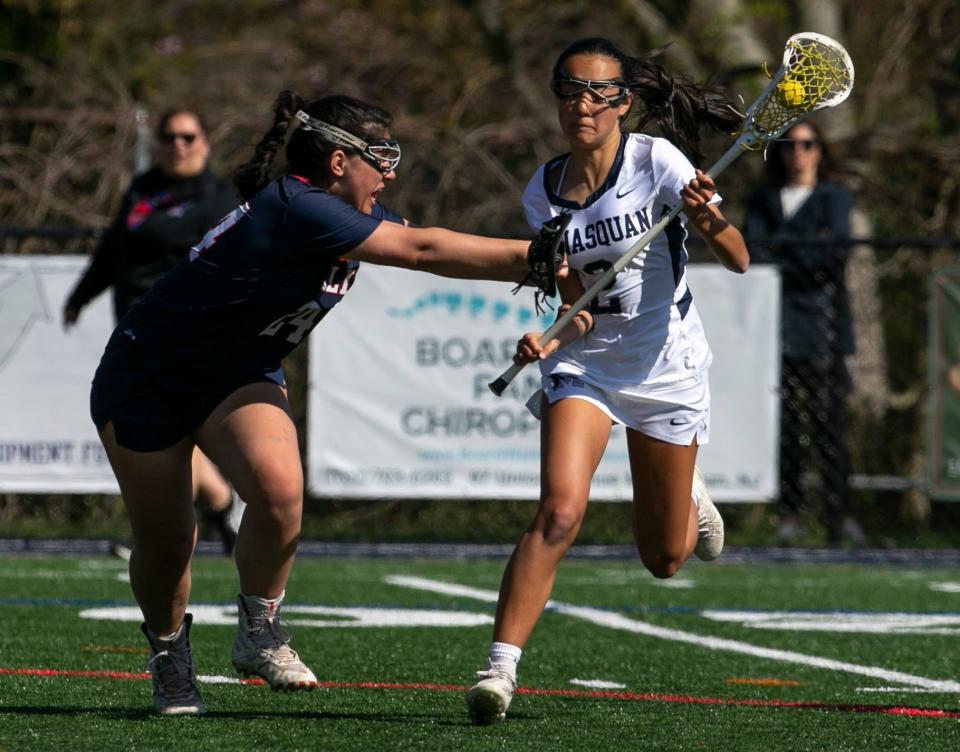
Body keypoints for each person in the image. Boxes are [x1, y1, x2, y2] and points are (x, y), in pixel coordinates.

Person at [89, 89, 561, 716]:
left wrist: (563, 258)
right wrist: (535, 255)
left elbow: (423, 238)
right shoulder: (302, 207)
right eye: (381, 156)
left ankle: (258, 630)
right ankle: (170, 654)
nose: (390, 172)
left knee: (280, 490)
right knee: (170, 538)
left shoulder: (335, 211)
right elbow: (422, 252)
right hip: (147, 372)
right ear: (339, 161)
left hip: (234, 369)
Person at [464, 37, 750, 725]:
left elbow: (738, 258)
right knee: (560, 510)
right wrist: (551, 336)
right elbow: (578, 307)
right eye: (569, 88)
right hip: (588, 366)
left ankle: (691, 495)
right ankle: (499, 669)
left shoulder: (655, 160)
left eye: (597, 92)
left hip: (665, 366)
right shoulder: (544, 189)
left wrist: (710, 220)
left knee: (666, 559)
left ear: (624, 103)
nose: (580, 104)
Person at [64, 108, 243, 554]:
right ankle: (215, 509)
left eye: (187, 135)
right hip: (133, 330)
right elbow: (113, 250)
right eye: (168, 136)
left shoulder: (218, 199)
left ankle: (183, 525)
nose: (177, 144)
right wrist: (81, 295)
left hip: (186, 333)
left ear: (205, 142)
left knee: (169, 430)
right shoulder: (143, 191)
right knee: (156, 429)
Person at [742, 120, 864, 547]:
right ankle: (789, 515)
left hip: (824, 325)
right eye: (790, 145)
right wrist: (804, 247)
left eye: (808, 144)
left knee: (829, 422)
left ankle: (840, 514)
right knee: (786, 424)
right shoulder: (763, 199)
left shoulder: (834, 197)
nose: (799, 152)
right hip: (774, 324)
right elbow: (753, 252)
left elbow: (833, 255)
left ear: (820, 150)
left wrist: (784, 249)